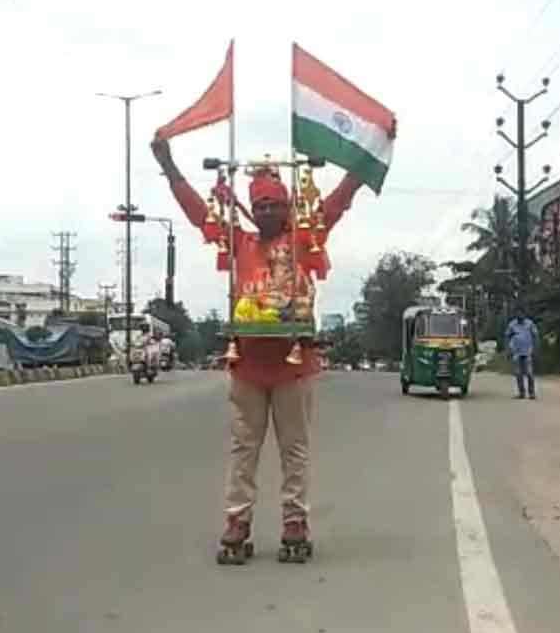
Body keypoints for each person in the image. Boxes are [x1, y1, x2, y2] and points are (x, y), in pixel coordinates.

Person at [151, 127, 391, 564]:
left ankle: (294, 521)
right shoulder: (238, 242)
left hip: (294, 368)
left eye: (274, 205)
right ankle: (237, 521)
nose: (265, 212)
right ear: (250, 210)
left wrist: (363, 160)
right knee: (244, 447)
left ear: (288, 208)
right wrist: (168, 166)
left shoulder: (303, 239)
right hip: (246, 367)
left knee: (294, 450)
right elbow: (196, 213)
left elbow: (338, 200)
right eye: (259, 205)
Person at [506, 307, 539, 399]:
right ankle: (522, 392)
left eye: (521, 313)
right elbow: (507, 336)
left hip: (528, 351)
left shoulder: (530, 324)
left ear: (524, 314)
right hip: (516, 351)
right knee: (518, 373)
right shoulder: (512, 324)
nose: (519, 315)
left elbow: (535, 336)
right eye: (517, 313)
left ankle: (531, 393)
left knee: (529, 373)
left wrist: (535, 349)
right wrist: (508, 350)